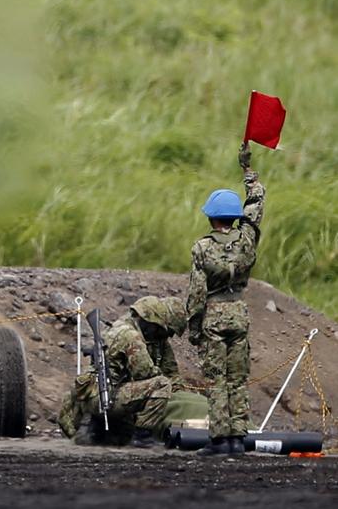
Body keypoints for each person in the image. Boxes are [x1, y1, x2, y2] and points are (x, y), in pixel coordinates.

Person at [186, 142, 266, 456]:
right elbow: (257, 202)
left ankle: (219, 439)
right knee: (238, 378)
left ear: (211, 218)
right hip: (239, 314)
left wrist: (193, 327)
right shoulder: (247, 239)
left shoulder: (203, 248)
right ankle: (237, 438)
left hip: (215, 315)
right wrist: (248, 171)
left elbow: (196, 292)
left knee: (217, 379)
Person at [59, 295, 187, 448]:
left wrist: (180, 390)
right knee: (161, 385)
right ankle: (143, 436)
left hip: (104, 394)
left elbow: (171, 370)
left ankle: (97, 430)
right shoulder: (130, 335)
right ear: (151, 321)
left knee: (118, 439)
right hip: (106, 397)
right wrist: (167, 384)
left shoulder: (130, 331)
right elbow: (144, 372)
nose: (164, 335)